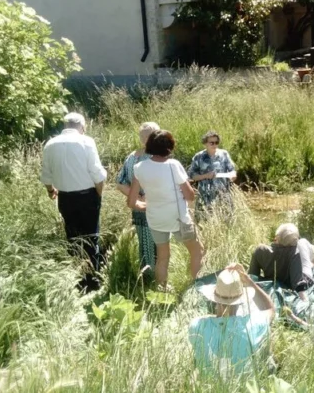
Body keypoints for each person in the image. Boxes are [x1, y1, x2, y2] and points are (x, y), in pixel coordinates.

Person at [40, 112, 107, 292]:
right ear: (82, 126)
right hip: (87, 196)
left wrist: (50, 191)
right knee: (91, 237)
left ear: (65, 126)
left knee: (73, 237)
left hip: (65, 198)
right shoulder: (86, 142)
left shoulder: (50, 144)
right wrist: (99, 194)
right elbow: (97, 173)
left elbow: (46, 174)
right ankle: (93, 280)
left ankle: (78, 280)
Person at [128, 130, 204, 288]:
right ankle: (196, 288)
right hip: (178, 218)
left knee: (162, 257)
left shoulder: (139, 167)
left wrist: (146, 206)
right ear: (170, 147)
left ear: (149, 145)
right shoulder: (173, 165)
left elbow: (131, 202)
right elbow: (190, 195)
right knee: (197, 251)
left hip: (155, 219)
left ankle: (162, 291)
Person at [189, 263, 275, 380]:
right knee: (267, 345)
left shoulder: (197, 325)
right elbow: (270, 309)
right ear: (240, 300)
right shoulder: (254, 324)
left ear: (214, 299)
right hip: (246, 387)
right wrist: (249, 282)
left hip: (207, 386)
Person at [116, 122, 161, 284]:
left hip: (139, 207)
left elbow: (120, 182)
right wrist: (143, 198)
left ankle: (149, 279)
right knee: (158, 244)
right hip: (156, 207)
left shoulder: (131, 157)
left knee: (146, 243)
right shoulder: (159, 157)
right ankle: (155, 280)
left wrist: (137, 198)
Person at [249, 223, 314, 301]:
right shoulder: (295, 253)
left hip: (271, 287)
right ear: (294, 243)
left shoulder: (260, 250)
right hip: (297, 283)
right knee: (304, 244)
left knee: (310, 260)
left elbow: (252, 276)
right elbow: (298, 286)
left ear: (276, 238)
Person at [188, 130, 237, 219]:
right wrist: (205, 176)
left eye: (216, 142)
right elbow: (191, 175)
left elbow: (232, 170)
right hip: (204, 197)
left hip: (223, 195)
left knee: (226, 221)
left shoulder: (224, 154)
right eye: (212, 143)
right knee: (203, 221)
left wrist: (233, 176)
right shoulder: (199, 157)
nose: (214, 145)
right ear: (205, 143)